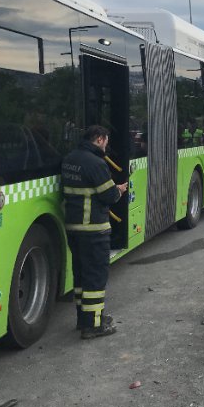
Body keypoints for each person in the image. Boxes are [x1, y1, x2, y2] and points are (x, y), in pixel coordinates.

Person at [61, 125, 127, 339]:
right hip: (94, 230)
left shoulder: (70, 158)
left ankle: (85, 319)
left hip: (73, 228)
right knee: (95, 279)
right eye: (106, 140)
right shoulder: (96, 163)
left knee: (81, 276)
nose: (106, 145)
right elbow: (108, 195)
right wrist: (119, 190)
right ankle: (93, 326)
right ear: (99, 139)